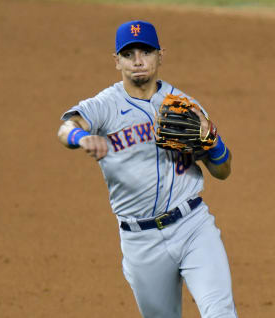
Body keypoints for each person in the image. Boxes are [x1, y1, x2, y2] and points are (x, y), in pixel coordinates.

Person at [57, 20, 237, 318]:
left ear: (160, 56)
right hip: (140, 241)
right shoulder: (106, 105)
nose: (138, 61)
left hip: (193, 226)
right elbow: (65, 129)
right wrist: (81, 137)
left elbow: (222, 171)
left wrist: (213, 143)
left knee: (220, 314)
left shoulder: (184, 105)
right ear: (117, 61)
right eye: (129, 54)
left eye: (146, 52)